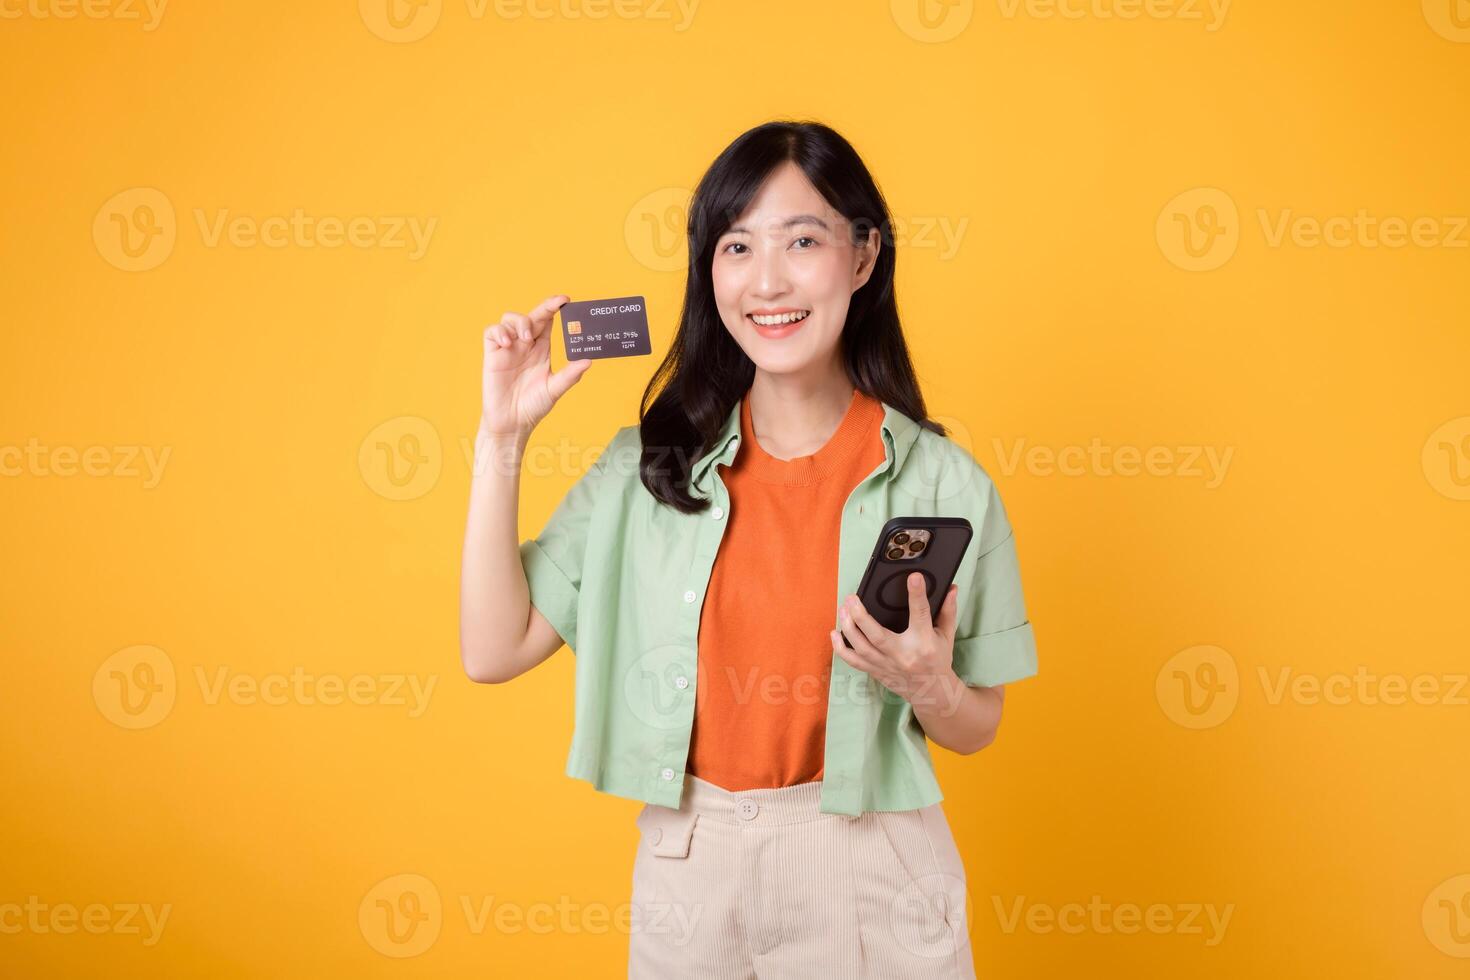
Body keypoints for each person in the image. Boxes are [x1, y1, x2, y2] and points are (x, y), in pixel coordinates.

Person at [459, 119, 1037, 979]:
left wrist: (930, 684)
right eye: (737, 247)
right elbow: (492, 650)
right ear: (710, 271)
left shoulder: (943, 486)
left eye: (803, 240)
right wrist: (500, 437)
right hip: (690, 869)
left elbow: (976, 727)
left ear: (863, 257)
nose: (767, 281)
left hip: (869, 866)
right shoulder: (645, 470)